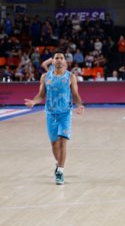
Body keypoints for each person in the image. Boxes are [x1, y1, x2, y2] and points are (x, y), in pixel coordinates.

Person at [24, 49, 84, 185]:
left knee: (63, 141)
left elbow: (75, 94)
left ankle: (60, 171)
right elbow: (41, 95)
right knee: (54, 143)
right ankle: (58, 164)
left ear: (64, 61)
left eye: (61, 58)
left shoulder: (70, 77)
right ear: (53, 60)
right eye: (56, 58)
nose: (58, 60)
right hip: (51, 113)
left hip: (65, 113)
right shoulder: (45, 77)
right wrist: (34, 101)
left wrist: (80, 104)